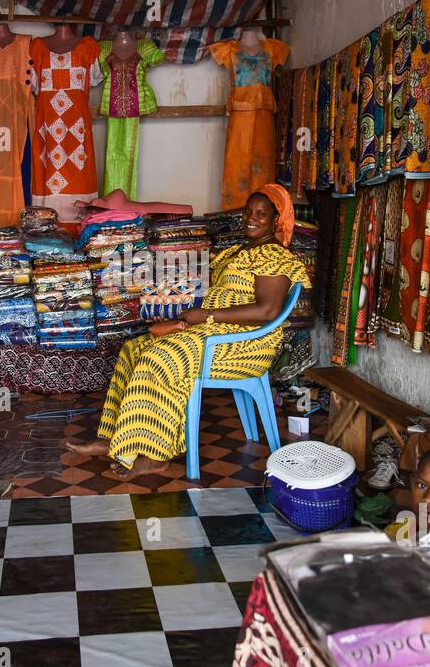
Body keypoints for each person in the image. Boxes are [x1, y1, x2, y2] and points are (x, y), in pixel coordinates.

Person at [64, 185, 310, 476]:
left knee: (161, 357)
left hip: (244, 342)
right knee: (133, 349)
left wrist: (206, 315)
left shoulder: (273, 256)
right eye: (248, 211)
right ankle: (116, 438)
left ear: (277, 220)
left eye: (261, 214)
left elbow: (267, 311)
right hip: (214, 331)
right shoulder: (240, 251)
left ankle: (156, 455)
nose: (250, 218)